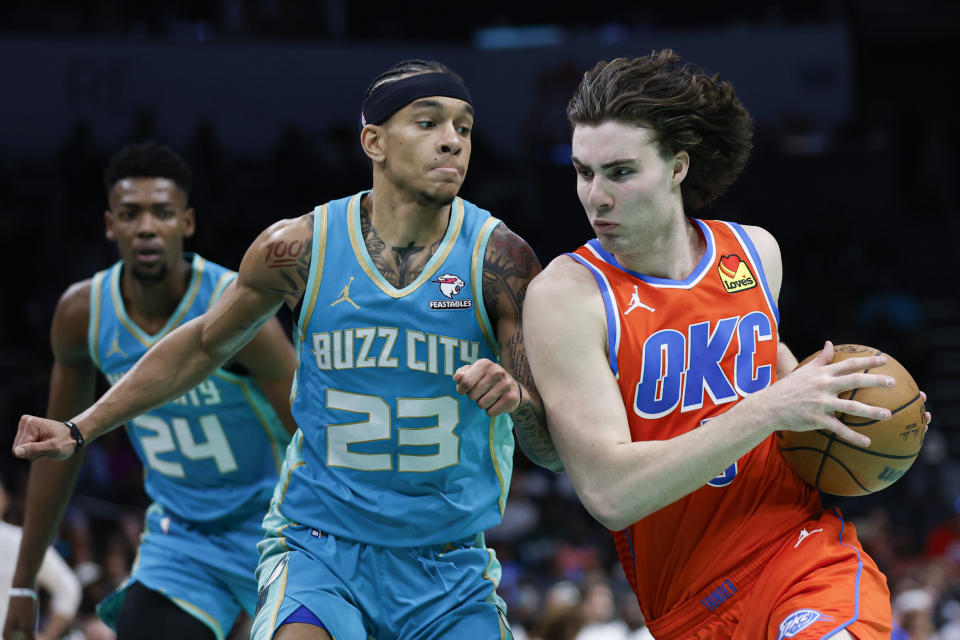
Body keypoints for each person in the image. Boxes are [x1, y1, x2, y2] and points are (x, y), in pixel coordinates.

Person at [12, 60, 560, 640]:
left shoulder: (502, 261)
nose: (452, 140)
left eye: (464, 127)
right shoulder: (298, 248)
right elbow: (201, 344)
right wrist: (80, 428)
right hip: (320, 550)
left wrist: (518, 398)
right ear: (372, 141)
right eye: (427, 122)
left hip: (448, 566)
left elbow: (548, 451)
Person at [522, 49, 932, 639]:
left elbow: (790, 384)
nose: (596, 196)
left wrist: (872, 408)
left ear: (677, 167)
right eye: (583, 172)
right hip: (687, 603)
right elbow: (611, 493)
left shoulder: (755, 253)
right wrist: (771, 407)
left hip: (797, 549)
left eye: (619, 171)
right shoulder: (568, 296)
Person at [4, 142, 298, 640]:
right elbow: (59, 455)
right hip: (183, 542)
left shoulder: (238, 307)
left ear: (186, 223)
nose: (145, 226)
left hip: (279, 529)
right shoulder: (83, 315)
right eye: (130, 213)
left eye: (162, 213)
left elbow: (308, 425)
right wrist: (22, 585)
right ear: (109, 225)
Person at [0, 477, 82, 640]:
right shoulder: (23, 541)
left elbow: (69, 590)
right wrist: (48, 636)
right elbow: (69, 590)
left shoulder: (22, 541)